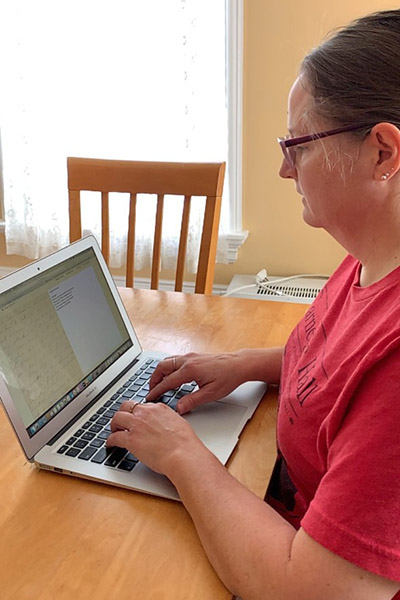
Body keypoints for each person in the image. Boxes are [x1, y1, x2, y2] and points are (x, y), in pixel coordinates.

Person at [107, 10, 400, 600]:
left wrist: (184, 456)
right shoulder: (370, 257)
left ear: (382, 152)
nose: (283, 167)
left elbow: (311, 591)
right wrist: (244, 363)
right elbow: (341, 363)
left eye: (298, 145)